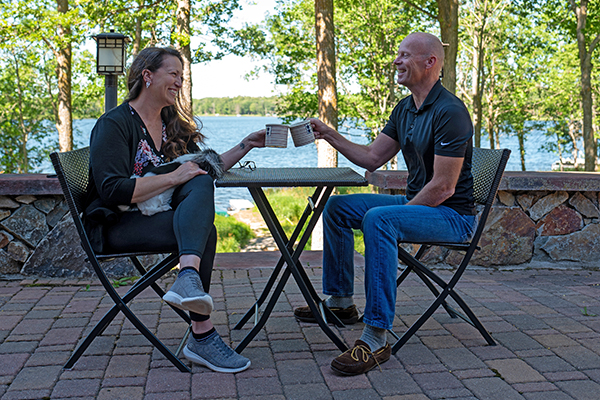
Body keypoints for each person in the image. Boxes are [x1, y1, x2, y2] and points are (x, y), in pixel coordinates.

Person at [293, 32, 477, 375]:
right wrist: (329, 134)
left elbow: (443, 187)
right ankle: (340, 302)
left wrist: (393, 216)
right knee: (337, 208)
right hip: (424, 205)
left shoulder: (450, 111)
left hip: (454, 216)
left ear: (430, 62)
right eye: (398, 55)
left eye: (405, 55)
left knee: (380, 218)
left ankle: (376, 336)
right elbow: (372, 158)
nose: (397, 61)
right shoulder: (405, 109)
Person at [84, 47, 265, 373]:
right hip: (118, 223)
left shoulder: (171, 125)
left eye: (181, 76)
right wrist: (175, 175)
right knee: (202, 227)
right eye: (174, 73)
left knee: (198, 181)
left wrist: (246, 144)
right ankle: (202, 334)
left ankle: (187, 278)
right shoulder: (114, 124)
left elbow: (204, 167)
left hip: (154, 215)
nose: (180, 82)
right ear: (147, 75)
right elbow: (111, 190)